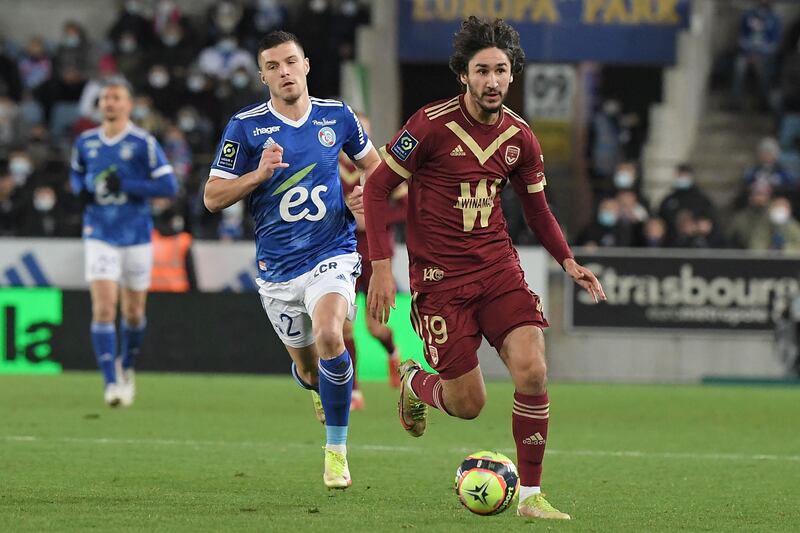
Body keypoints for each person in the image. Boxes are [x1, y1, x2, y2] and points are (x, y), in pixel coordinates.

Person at [363, 17, 605, 520]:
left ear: (511, 74)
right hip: (440, 284)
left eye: (501, 70)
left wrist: (568, 260)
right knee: (468, 404)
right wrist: (382, 267)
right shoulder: (428, 126)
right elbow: (376, 186)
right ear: (464, 76)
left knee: (534, 371)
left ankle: (532, 498)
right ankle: (414, 383)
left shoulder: (521, 138)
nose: (493, 80)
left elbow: (537, 210)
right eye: (482, 71)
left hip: (498, 270)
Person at [203, 31, 381, 490]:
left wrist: (367, 201)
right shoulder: (245, 127)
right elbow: (212, 197)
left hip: (333, 252)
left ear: (305, 65)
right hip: (278, 271)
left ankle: (336, 452)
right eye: (273, 66)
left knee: (330, 332)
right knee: (307, 369)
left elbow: (376, 170)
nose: (284, 71)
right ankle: (314, 384)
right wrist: (258, 174)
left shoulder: (337, 116)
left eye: (290, 62)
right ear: (263, 75)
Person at [70, 77, 178, 407]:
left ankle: (127, 366)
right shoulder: (85, 142)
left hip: (135, 236)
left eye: (116, 97)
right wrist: (81, 190)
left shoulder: (143, 142)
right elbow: (76, 175)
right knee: (103, 308)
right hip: (99, 233)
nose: (110, 103)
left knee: (133, 313)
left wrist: (128, 185)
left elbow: (169, 187)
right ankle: (111, 383)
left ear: (129, 104)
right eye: (105, 98)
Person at [339, 113, 406, 410]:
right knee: (343, 328)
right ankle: (353, 391)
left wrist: (377, 219)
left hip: (377, 254)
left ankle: (393, 353)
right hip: (342, 252)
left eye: (363, 131)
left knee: (375, 328)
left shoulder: (381, 165)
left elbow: (407, 207)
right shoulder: (330, 166)